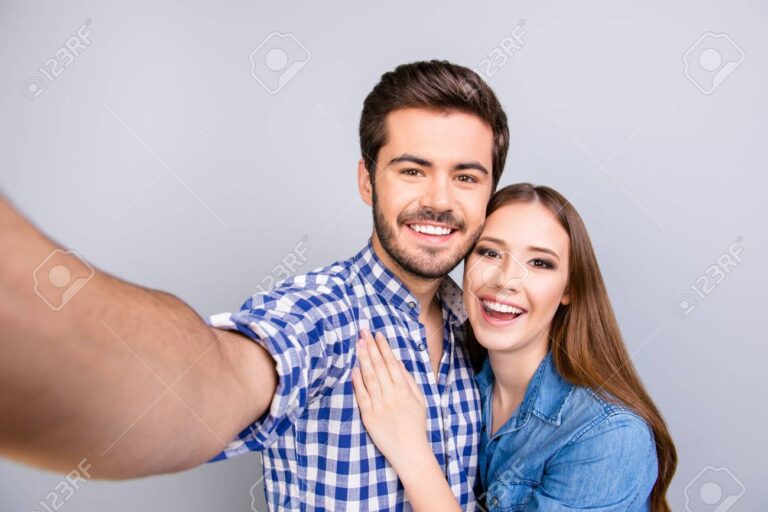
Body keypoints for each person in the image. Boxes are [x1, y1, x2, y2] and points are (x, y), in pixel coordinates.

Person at [0, 60, 509, 510]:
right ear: (367, 181)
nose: (439, 200)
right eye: (413, 170)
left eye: (466, 177)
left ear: (489, 193)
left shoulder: (486, 329)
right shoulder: (321, 312)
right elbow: (205, 385)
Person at [352, 183, 677, 511]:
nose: (505, 279)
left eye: (539, 263)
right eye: (489, 252)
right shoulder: (459, 381)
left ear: (570, 289)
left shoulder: (610, 435)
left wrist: (412, 453)